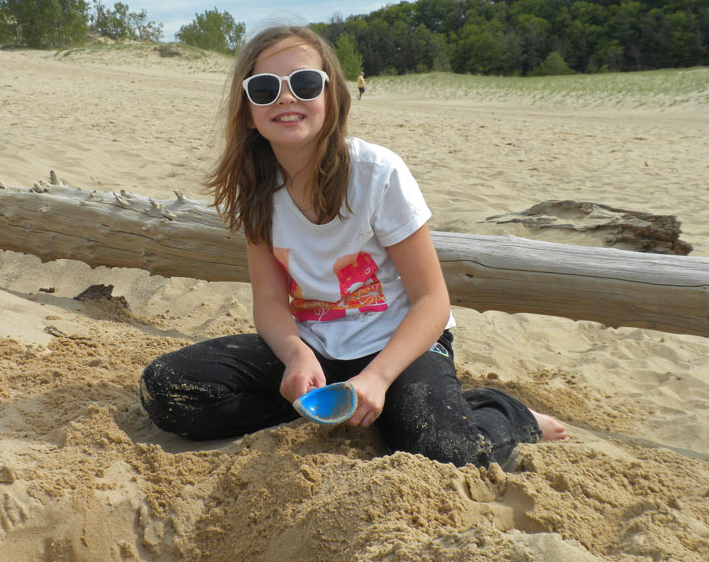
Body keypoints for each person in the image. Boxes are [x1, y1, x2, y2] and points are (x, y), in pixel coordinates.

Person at [139, 25, 568, 469]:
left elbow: (432, 300)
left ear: (332, 97)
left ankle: (506, 413)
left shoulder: (377, 173)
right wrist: (296, 356)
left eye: (304, 83)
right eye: (265, 88)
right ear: (248, 112)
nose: (286, 97)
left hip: (399, 346)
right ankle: (341, 405)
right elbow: (269, 301)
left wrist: (379, 378)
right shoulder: (256, 189)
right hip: (316, 347)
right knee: (169, 389)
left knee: (447, 452)